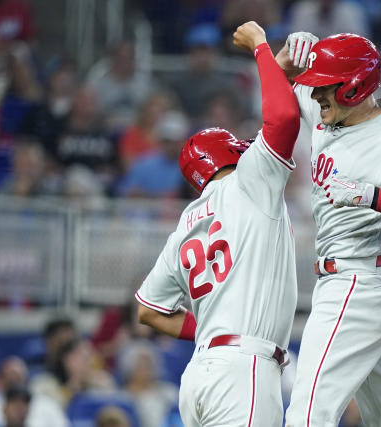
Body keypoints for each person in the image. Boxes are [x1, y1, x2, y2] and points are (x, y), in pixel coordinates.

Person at [275, 31, 381, 426]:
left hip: (358, 282)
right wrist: (282, 60)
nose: (315, 94)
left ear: (353, 87)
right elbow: (284, 86)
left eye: (324, 87)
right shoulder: (331, 107)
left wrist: (371, 195)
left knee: (308, 412)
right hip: (368, 277)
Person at [135, 21, 300, 427]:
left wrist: (209, 328)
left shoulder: (187, 222)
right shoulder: (250, 182)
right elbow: (283, 118)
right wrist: (262, 48)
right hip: (244, 370)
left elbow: (148, 312)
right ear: (231, 153)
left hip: (200, 374)